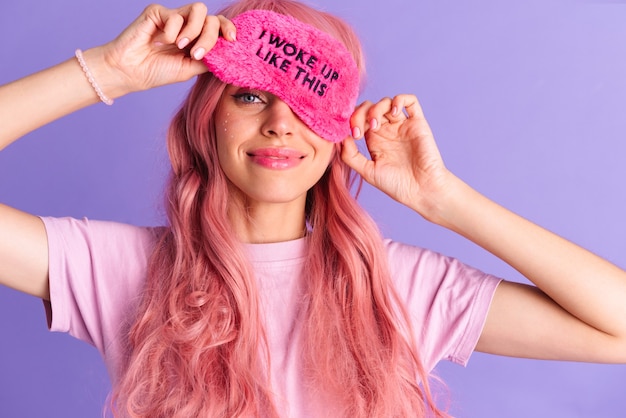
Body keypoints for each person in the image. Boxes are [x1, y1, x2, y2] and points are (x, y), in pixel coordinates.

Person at [1, 0, 625, 417]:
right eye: (249, 95)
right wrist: (108, 72)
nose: (280, 125)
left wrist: (446, 200)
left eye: (307, 102)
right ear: (206, 120)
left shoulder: (398, 284)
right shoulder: (121, 269)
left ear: (336, 130)